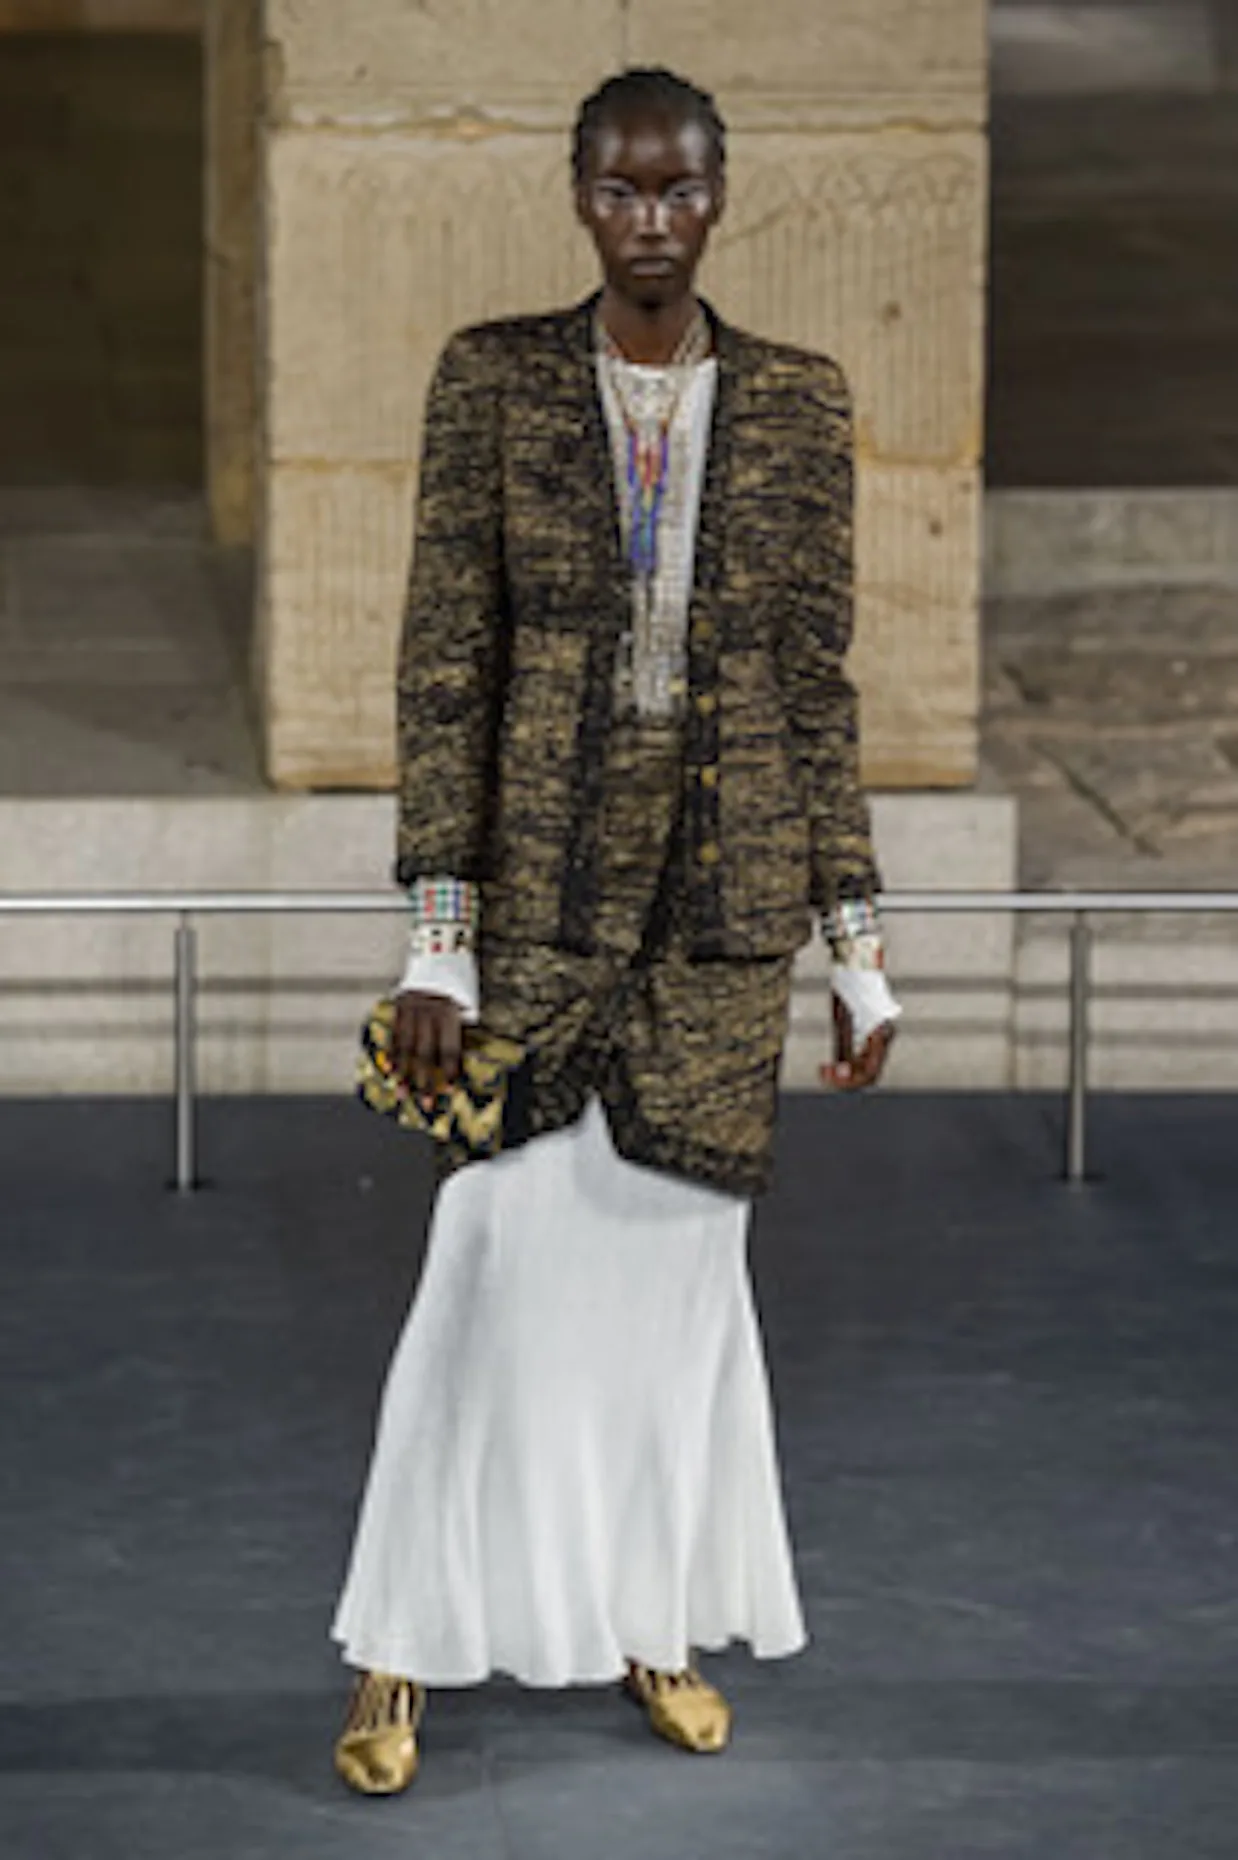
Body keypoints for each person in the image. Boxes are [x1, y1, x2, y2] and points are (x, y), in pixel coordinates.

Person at [330, 64, 902, 1794]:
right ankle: (396, 1651)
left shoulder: (797, 404)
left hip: (721, 932)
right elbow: (446, 666)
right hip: (542, 922)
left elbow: (812, 687)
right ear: (578, 196)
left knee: (675, 1310)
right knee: (485, 1283)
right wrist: (440, 939)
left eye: (679, 189)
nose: (651, 220)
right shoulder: (493, 382)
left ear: (720, 197)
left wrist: (855, 945)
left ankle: (652, 1620)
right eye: (621, 189)